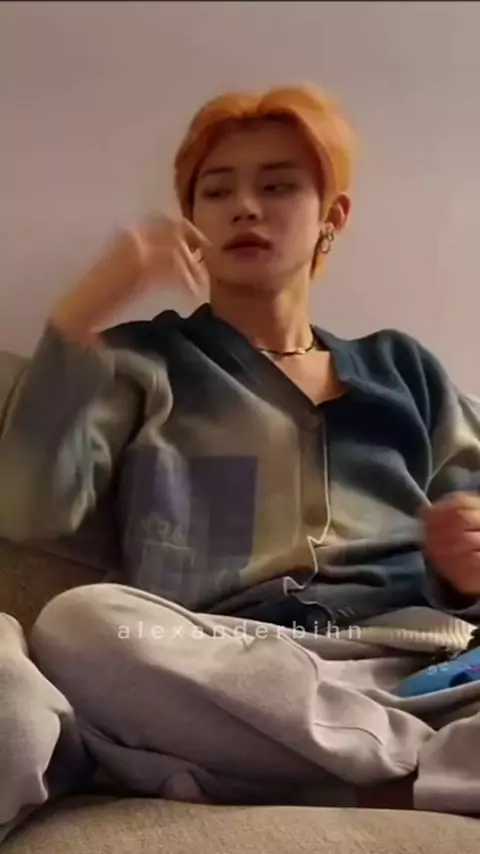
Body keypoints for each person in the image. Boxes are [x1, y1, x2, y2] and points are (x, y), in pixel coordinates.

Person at [2, 83, 480, 835]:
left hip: (412, 663)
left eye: (278, 187)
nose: (245, 208)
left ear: (333, 217)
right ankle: (421, 770)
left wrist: (465, 565)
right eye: (217, 191)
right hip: (223, 660)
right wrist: (81, 313)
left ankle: (270, 770)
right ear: (192, 219)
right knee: (81, 625)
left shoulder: (404, 370)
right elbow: (29, 507)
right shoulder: (141, 362)